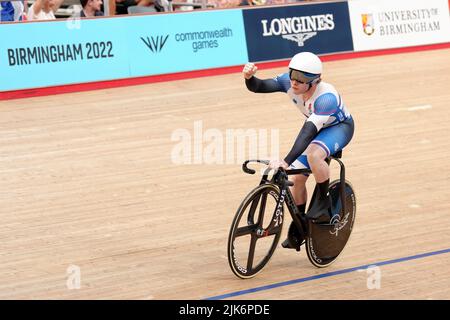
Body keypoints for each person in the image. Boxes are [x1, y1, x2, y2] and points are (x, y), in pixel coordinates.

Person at [242, 52, 354, 249]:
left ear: (315, 82)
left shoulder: (325, 98)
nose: (294, 82)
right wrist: (249, 78)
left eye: (301, 79)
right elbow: (259, 87)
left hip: (338, 128)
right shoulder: (290, 82)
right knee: (298, 179)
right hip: (317, 128)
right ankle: (300, 225)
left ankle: (322, 203)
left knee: (313, 154)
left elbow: (308, 131)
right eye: (292, 74)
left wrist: (286, 160)